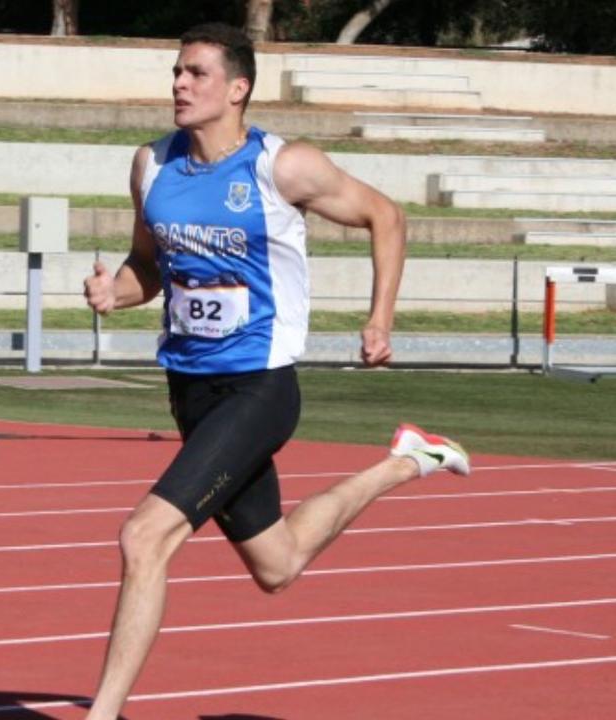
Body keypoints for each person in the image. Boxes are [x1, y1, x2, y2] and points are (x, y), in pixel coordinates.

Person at [80, 23, 470, 720]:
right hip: (190, 389)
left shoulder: (282, 167)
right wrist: (116, 293)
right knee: (278, 565)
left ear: (238, 88)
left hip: (260, 386)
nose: (178, 84)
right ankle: (407, 461)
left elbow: (388, 216)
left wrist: (380, 318)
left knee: (144, 536)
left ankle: (103, 713)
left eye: (196, 74)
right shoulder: (150, 165)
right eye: (176, 72)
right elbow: (148, 267)